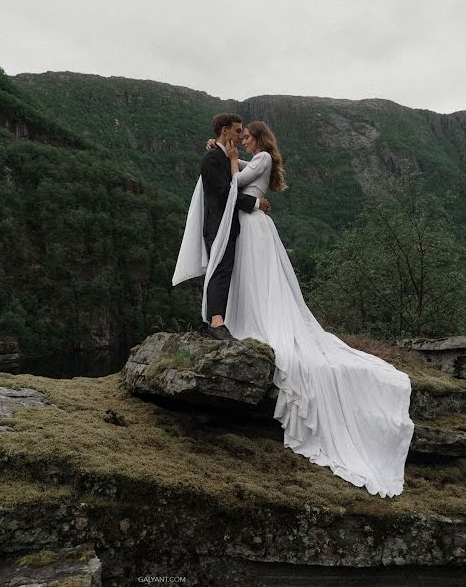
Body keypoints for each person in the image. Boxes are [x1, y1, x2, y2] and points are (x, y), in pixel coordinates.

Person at [174, 120, 415, 498]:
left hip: (252, 225)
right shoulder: (245, 157)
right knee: (247, 279)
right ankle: (233, 318)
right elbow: (226, 186)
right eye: (240, 137)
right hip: (246, 221)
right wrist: (227, 160)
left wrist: (232, 160)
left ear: (258, 139)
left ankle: (248, 321)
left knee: (260, 281)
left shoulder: (261, 157)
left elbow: (232, 185)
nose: (244, 141)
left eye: (248, 137)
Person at [175, 113, 270, 340]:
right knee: (219, 268)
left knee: (225, 269)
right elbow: (223, 194)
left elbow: (241, 175)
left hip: (228, 224)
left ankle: (221, 319)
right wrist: (256, 203)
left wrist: (232, 158)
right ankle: (216, 322)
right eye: (237, 131)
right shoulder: (211, 159)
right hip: (219, 224)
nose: (240, 136)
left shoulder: (222, 156)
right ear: (225, 131)